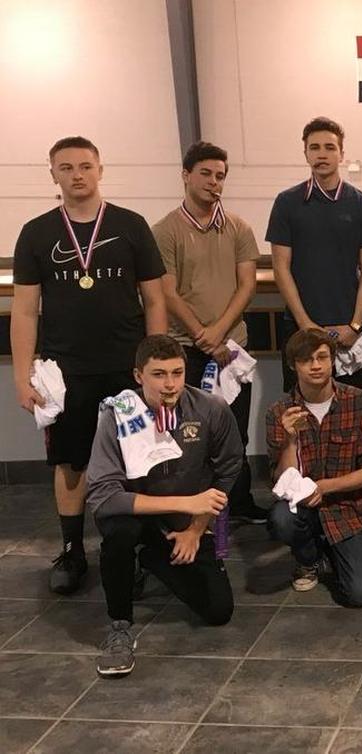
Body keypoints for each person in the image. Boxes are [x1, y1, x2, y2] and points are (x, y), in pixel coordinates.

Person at [11, 136, 167, 595]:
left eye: (85, 166)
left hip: (127, 369)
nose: (77, 175)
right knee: (72, 462)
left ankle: (135, 550)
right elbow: (24, 311)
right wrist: (23, 376)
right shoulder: (36, 232)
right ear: (53, 174)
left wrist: (153, 366)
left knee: (138, 459)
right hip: (67, 373)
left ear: (101, 170)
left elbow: (155, 299)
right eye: (66, 168)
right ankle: (73, 551)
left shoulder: (131, 226)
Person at [86, 335, 241, 677]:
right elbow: (102, 495)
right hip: (134, 515)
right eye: (158, 374)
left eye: (177, 372)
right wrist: (187, 501)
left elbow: (227, 474)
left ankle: (153, 558)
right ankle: (120, 626)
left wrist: (196, 529)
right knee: (119, 534)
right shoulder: (117, 415)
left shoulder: (211, 409)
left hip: (186, 520)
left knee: (218, 610)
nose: (169, 384)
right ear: (139, 376)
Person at [153, 140, 262, 523]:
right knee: (191, 436)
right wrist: (202, 335)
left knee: (236, 433)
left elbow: (247, 286)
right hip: (188, 352)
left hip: (232, 350)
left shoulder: (239, 228)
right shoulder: (164, 231)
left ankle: (240, 503)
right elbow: (167, 292)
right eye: (206, 173)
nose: (214, 182)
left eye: (220, 176)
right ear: (186, 175)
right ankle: (194, 509)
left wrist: (218, 333)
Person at [265, 329, 362, 607]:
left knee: (359, 595)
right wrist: (290, 439)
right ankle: (309, 559)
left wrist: (326, 486)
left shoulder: (359, 402)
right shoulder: (279, 411)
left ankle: (331, 548)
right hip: (301, 506)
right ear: (293, 365)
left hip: (345, 509)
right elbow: (280, 479)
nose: (316, 366)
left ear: (333, 360)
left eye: (322, 357)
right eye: (306, 360)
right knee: (281, 518)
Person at [267, 116, 362, 391]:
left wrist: (355, 326)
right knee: (300, 412)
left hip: (349, 329)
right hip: (300, 327)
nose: (322, 154)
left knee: (352, 412)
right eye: (314, 147)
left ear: (341, 153)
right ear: (305, 153)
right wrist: (305, 324)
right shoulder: (287, 203)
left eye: (329, 147)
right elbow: (281, 268)